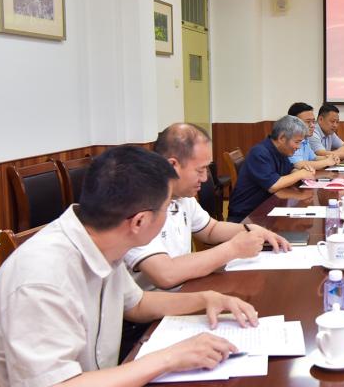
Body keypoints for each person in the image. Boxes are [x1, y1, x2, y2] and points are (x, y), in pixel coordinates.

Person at [0, 146, 258, 387]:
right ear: (140, 221)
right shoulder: (43, 278)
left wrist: (205, 299)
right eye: (167, 207)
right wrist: (169, 358)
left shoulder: (101, 239)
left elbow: (136, 303)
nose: (170, 214)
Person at [124, 123, 291, 291]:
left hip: (185, 288)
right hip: (156, 302)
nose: (205, 178)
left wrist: (251, 229)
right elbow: (166, 274)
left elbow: (210, 229)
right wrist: (233, 248)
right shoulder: (137, 205)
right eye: (200, 170)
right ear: (173, 166)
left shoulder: (182, 197)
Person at [228, 115, 316, 223]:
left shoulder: (281, 150)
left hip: (267, 210)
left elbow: (289, 170)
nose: (299, 147)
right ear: (282, 138)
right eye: (297, 142)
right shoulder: (259, 153)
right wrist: (300, 175)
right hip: (247, 216)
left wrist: (302, 172)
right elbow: (273, 186)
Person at [287, 102, 340, 171]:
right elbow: (299, 164)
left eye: (313, 122)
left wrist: (330, 158)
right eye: (308, 122)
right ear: (293, 123)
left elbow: (314, 158)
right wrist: (326, 162)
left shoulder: (305, 139)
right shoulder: (289, 139)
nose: (312, 125)